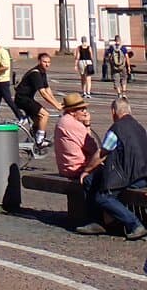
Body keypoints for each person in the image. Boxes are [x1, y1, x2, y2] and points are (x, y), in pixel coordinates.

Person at [76, 97, 147, 239]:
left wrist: (86, 170)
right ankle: (97, 222)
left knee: (103, 197)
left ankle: (135, 224)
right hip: (142, 173)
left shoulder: (117, 129)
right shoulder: (139, 127)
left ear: (114, 112)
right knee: (91, 180)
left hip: (131, 176)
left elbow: (102, 153)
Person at [15, 52, 62, 150]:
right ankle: (40, 141)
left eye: (49, 62)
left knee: (38, 121)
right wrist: (56, 106)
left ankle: (31, 139)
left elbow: (47, 89)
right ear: (39, 61)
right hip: (22, 99)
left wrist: (56, 102)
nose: (47, 64)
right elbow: (43, 93)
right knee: (45, 114)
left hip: (28, 98)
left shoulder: (42, 72)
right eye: (44, 62)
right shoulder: (35, 73)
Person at [53, 93, 100, 181]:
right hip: (77, 169)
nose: (85, 112)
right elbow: (93, 149)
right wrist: (87, 125)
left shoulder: (63, 121)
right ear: (72, 111)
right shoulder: (74, 125)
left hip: (65, 168)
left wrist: (86, 124)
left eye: (85, 108)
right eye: (82, 110)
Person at [0, 38, 20, 123]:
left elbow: (6, 66)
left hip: (3, 81)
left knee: (8, 100)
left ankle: (21, 116)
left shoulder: (3, 53)